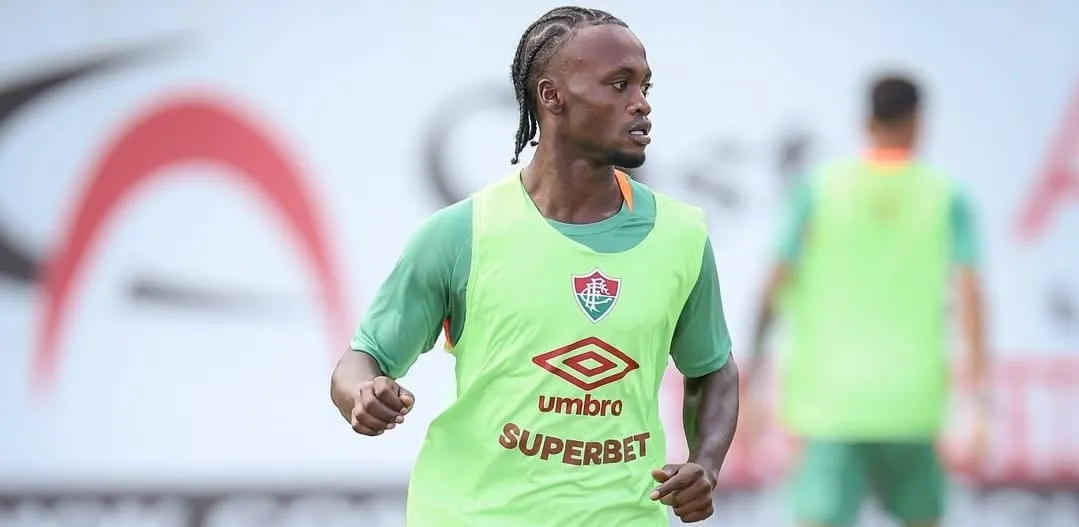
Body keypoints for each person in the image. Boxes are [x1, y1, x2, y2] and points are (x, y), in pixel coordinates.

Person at [329, 6, 740, 527]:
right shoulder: (461, 234)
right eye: (619, 85)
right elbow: (361, 361)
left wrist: (706, 464)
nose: (641, 105)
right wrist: (363, 395)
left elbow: (712, 370)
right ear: (552, 97)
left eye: (645, 87)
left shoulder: (682, 236)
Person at [743, 74, 990, 527]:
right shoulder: (946, 196)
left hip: (829, 402)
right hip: (911, 401)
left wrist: (752, 380)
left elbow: (773, 285)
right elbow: (970, 294)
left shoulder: (817, 191)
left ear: (865, 122)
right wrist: (978, 398)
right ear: (919, 123)